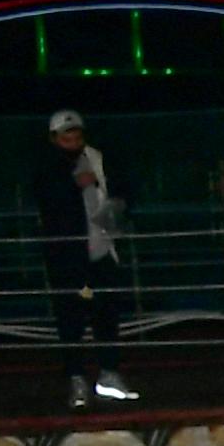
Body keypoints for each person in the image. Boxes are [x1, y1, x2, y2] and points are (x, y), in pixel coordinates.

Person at [31, 110, 136, 406]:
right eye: (67, 136)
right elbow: (46, 202)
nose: (73, 140)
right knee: (71, 317)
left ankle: (109, 374)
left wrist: (113, 204)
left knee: (107, 313)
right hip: (68, 257)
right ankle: (76, 379)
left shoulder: (97, 157)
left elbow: (122, 190)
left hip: (101, 250)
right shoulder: (47, 165)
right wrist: (72, 185)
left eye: (77, 135)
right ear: (55, 138)